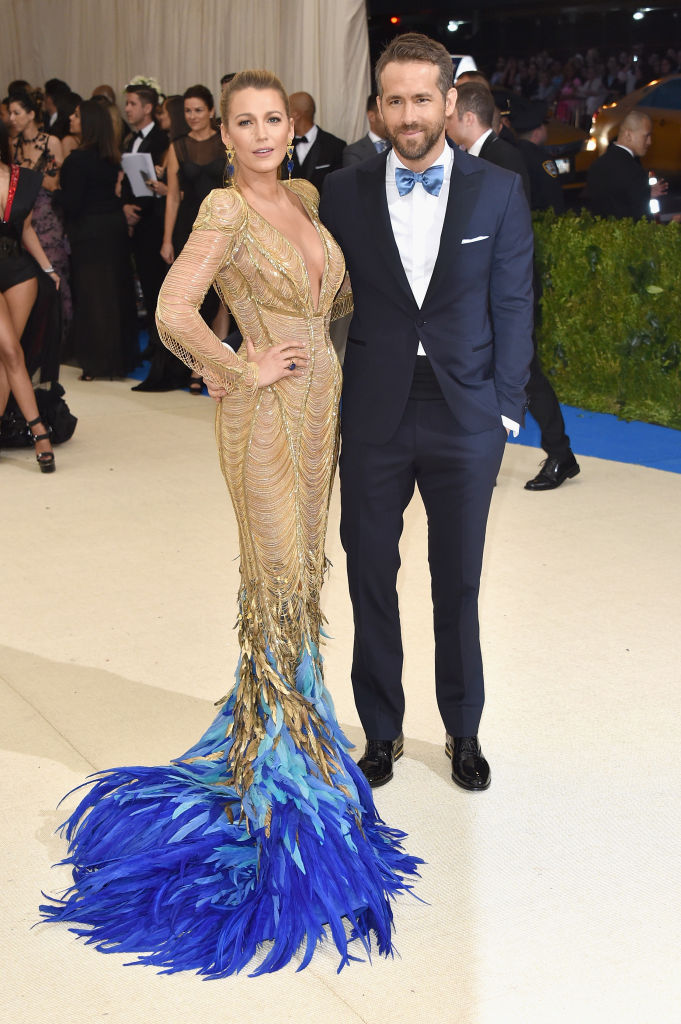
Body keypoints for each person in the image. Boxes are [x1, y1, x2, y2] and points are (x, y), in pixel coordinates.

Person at [40, 68, 419, 977]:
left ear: (290, 125)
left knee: (301, 582)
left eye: (271, 119)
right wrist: (236, 366)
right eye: (242, 122)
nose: (259, 134)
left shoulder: (303, 198)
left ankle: (291, 743)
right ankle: (278, 779)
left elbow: (334, 299)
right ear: (222, 132)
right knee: (278, 583)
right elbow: (176, 308)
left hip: (320, 412)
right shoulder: (222, 208)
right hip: (266, 414)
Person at [319, 33, 534, 791]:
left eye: (421, 99)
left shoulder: (498, 189)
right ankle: (380, 732)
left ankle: (462, 729)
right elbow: (312, 294)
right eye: (394, 100)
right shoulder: (341, 192)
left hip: (464, 415)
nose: (408, 114)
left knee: (459, 582)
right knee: (369, 579)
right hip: (372, 414)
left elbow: (514, 303)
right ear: (377, 109)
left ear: (448, 101)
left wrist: (504, 411)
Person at [508, 96, 581, 490]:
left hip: (510, 286)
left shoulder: (504, 156)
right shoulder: (515, 155)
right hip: (496, 287)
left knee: (526, 372)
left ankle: (560, 452)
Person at [58, 100, 137, 380]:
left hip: (90, 232)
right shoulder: (110, 157)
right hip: (112, 228)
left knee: (93, 297)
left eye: (77, 115)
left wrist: (51, 189)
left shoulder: (77, 160)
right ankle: (118, 360)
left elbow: (72, 203)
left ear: (88, 123)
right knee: (115, 294)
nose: (71, 118)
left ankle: (96, 363)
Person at [0, 119, 58, 472]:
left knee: (9, 356)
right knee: (9, 350)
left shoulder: (22, 178)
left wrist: (48, 268)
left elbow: (26, 229)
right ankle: (39, 431)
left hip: (20, 272)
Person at [119, 84, 184, 392]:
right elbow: (129, 183)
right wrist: (126, 207)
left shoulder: (163, 140)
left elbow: (172, 189)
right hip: (142, 225)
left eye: (132, 103)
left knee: (161, 292)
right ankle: (157, 350)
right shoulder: (131, 139)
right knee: (148, 288)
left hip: (159, 224)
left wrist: (152, 197)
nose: (127, 109)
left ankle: (166, 359)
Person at [161, 84, 224, 391]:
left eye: (198, 110)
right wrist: (166, 239)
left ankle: (216, 366)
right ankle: (197, 365)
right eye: (188, 111)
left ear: (211, 111)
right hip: (189, 227)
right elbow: (173, 197)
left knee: (221, 299)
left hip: (221, 226)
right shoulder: (178, 147)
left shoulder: (226, 142)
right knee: (192, 300)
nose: (193, 116)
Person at [9, 90, 72, 344]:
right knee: (28, 279)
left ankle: (62, 340)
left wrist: (26, 174)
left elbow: (56, 183)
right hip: (20, 217)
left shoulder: (51, 142)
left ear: (31, 114)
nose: (12, 118)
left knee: (56, 276)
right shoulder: (12, 145)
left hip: (46, 216)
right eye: (10, 113)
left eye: (16, 113)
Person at [447, 80, 530, 203]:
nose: (445, 125)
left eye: (449, 117)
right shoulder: (465, 155)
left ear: (469, 119)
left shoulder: (504, 158)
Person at [585, 110, 665, 220]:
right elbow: (642, 222)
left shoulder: (596, 165)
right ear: (628, 135)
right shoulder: (635, 172)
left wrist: (644, 192)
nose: (649, 142)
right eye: (646, 136)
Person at [285, 91, 345, 192]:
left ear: (296, 115)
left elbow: (340, 188)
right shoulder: (280, 146)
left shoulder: (336, 146)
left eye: (286, 111)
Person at [342, 94, 389, 166]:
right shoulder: (353, 152)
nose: (391, 120)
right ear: (372, 117)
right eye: (386, 114)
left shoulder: (399, 146)